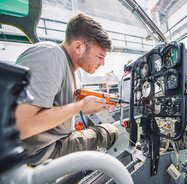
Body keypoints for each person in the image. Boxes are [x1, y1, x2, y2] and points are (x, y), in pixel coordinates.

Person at [15, 12, 119, 165]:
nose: (102, 63)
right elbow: (22, 126)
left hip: (50, 143)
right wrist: (80, 106)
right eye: (100, 56)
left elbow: (56, 108)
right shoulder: (50, 54)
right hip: (41, 153)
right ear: (78, 46)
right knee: (110, 131)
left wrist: (88, 107)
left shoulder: (72, 72)